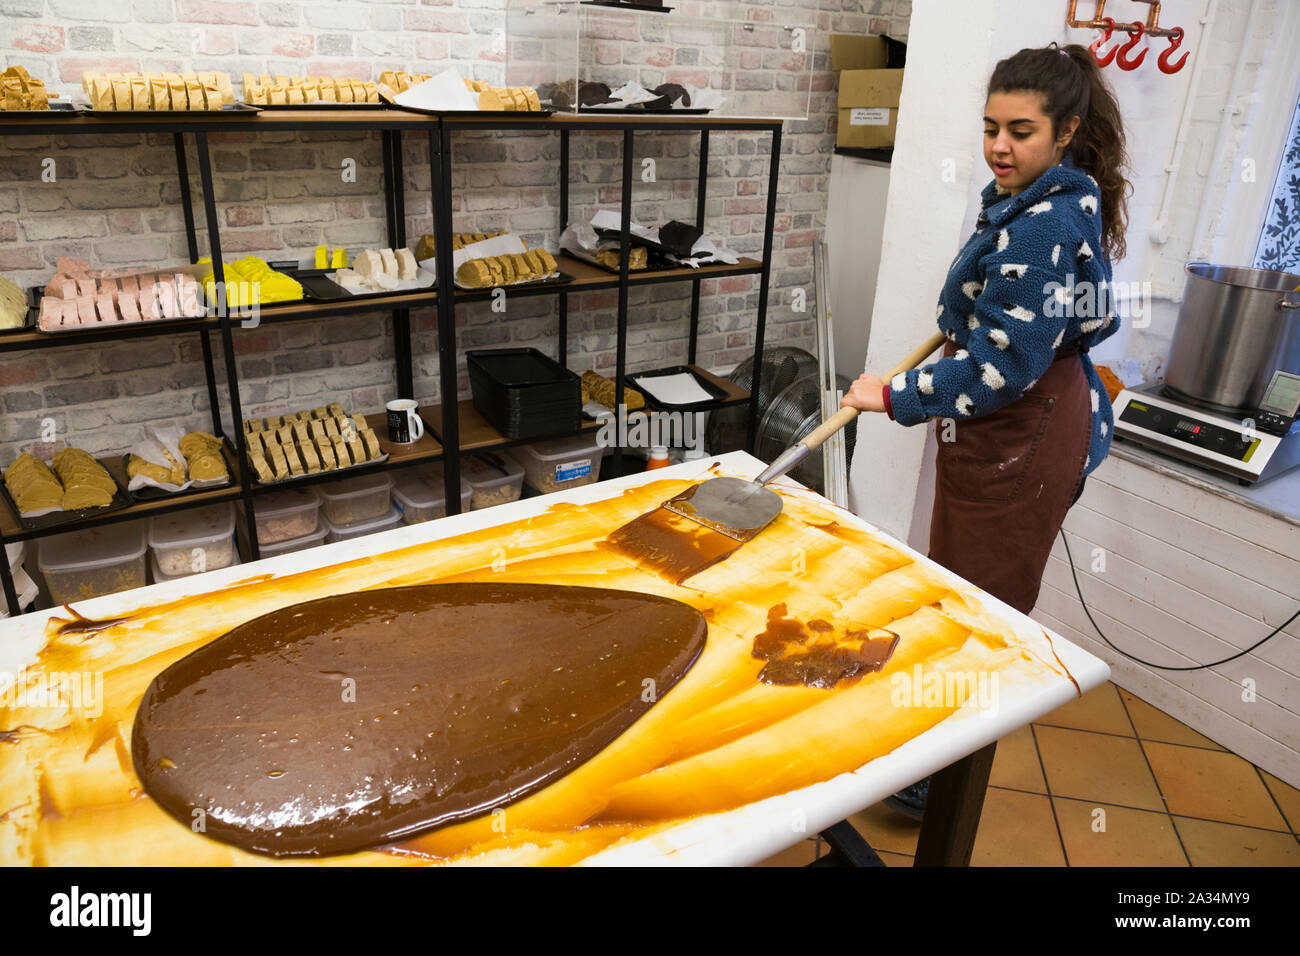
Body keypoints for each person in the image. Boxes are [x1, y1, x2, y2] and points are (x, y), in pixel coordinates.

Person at [841, 42, 1130, 819]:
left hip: (1022, 434)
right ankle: (931, 748)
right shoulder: (1046, 198)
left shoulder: (1044, 223)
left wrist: (891, 394)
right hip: (1020, 425)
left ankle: (938, 779)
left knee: (980, 608)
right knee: (960, 590)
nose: (1000, 146)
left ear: (1065, 131)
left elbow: (1000, 371)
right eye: (991, 127)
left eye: (1022, 131)